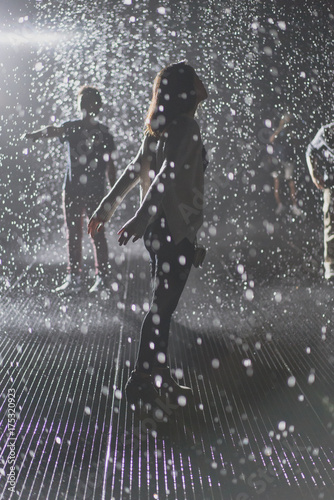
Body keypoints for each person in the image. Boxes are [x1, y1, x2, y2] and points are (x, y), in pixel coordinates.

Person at [88, 61, 208, 408]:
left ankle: (159, 377)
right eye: (196, 78)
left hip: (160, 228)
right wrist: (140, 218)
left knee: (162, 307)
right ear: (188, 90)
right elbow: (166, 177)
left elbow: (134, 172)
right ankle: (143, 379)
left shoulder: (161, 127)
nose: (203, 83)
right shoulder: (187, 127)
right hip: (173, 228)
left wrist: (105, 209)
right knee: (162, 308)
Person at [26, 86, 116, 294]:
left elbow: (110, 165)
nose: (84, 105)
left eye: (88, 102)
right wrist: (37, 135)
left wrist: (114, 192)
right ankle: (77, 277)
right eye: (83, 102)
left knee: (95, 234)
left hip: (93, 192)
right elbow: (53, 130)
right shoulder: (74, 127)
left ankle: (98, 277)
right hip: (75, 191)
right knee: (77, 235)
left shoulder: (102, 132)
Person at [306, 121, 334, 280]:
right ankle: (330, 266)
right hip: (331, 184)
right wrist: (313, 173)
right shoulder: (325, 132)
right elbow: (310, 150)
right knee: (330, 225)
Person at [269, 112, 301, 216]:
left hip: (288, 160)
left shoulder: (291, 132)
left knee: (291, 183)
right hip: (278, 161)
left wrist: (289, 131)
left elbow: (296, 142)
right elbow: (271, 140)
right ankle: (280, 205)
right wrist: (280, 127)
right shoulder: (279, 132)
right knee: (277, 184)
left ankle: (294, 206)